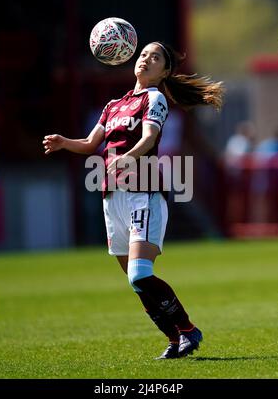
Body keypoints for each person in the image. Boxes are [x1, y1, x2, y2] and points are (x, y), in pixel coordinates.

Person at [43, 42, 223, 359]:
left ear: (165, 71)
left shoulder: (154, 99)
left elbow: (150, 138)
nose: (146, 59)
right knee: (136, 282)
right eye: (143, 54)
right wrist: (64, 142)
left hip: (144, 194)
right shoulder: (113, 105)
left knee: (140, 273)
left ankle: (188, 329)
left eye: (155, 57)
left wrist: (125, 158)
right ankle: (174, 340)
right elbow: (89, 144)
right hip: (112, 199)